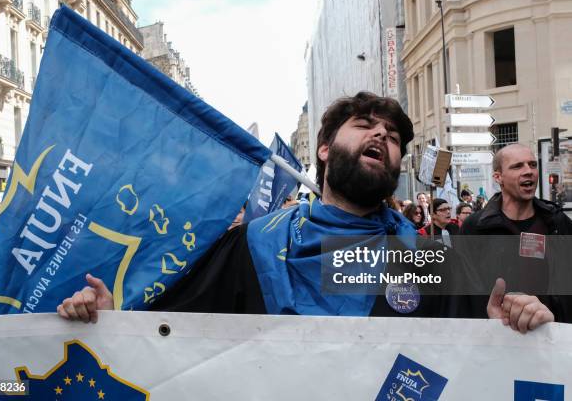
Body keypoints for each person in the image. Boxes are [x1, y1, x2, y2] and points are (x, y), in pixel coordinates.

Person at [58, 93, 553, 333]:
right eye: (364, 126)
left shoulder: (429, 261)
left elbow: (473, 348)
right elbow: (172, 333)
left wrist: (504, 326)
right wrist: (115, 320)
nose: (381, 136)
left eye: (394, 136)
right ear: (322, 150)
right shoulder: (249, 246)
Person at [461, 143, 572, 324]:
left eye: (532, 165)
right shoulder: (475, 227)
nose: (529, 171)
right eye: (517, 166)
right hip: (497, 338)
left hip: (550, 338)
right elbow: (465, 292)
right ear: (498, 177)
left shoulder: (557, 222)